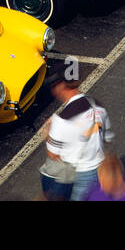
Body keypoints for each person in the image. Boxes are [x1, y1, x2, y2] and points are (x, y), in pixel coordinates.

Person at [43, 73, 113, 202]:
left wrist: (47, 133)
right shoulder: (98, 105)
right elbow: (107, 139)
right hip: (101, 171)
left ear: (60, 86)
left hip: (79, 175)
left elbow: (53, 155)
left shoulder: (62, 120)